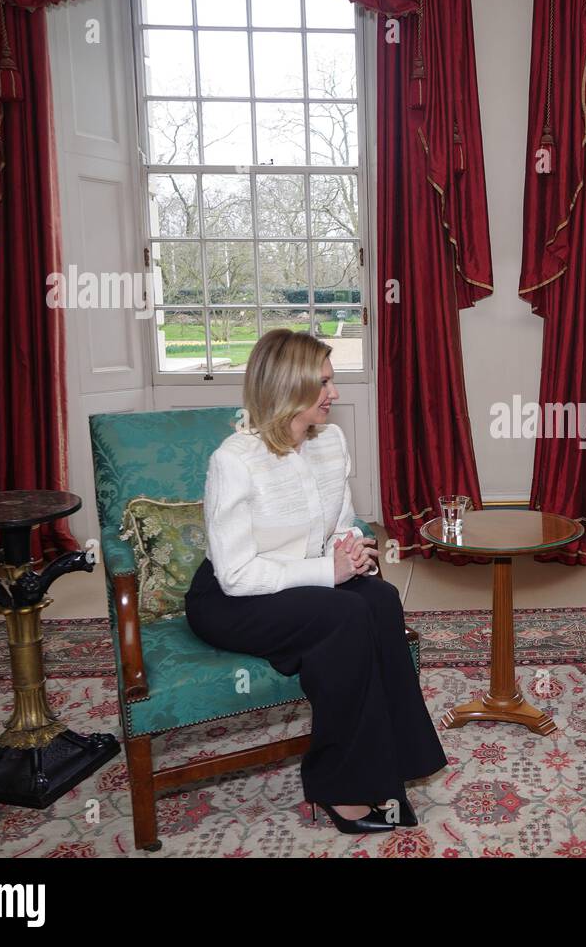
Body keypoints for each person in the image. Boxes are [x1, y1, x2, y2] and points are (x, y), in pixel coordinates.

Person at [184, 329, 448, 834]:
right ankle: (340, 788)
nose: (336, 394)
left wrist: (348, 546)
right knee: (345, 616)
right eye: (324, 382)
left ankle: (390, 768)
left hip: (302, 582)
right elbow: (236, 575)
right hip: (232, 597)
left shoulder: (330, 442)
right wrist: (328, 572)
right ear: (289, 386)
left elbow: (342, 520)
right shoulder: (234, 461)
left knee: (382, 599)